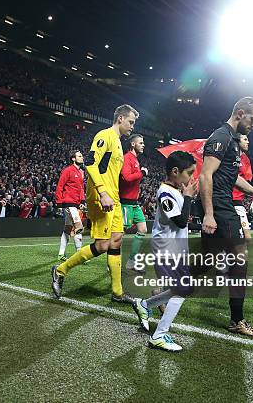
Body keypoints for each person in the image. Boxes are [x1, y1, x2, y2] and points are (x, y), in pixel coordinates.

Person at [199, 97, 253, 338]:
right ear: (240, 113)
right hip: (220, 207)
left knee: (207, 262)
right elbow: (205, 176)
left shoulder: (232, 140)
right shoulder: (221, 137)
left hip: (224, 205)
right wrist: (210, 214)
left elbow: (233, 178)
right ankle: (237, 320)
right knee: (239, 261)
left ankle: (164, 288)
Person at [51, 104, 139, 304]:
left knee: (116, 240)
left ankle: (117, 292)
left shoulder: (117, 142)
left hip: (113, 198)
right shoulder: (105, 135)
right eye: (131, 122)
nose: (132, 126)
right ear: (120, 119)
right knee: (101, 245)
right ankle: (60, 270)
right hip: (101, 197)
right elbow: (90, 163)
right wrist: (102, 192)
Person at [131, 151, 197, 352]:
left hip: (175, 248)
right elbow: (180, 220)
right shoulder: (165, 192)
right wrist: (188, 197)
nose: (192, 177)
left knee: (182, 288)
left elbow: (182, 222)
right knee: (184, 289)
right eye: (189, 173)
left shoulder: (175, 190)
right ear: (175, 172)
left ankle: (145, 304)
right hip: (166, 248)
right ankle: (158, 335)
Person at [120, 134, 149, 273]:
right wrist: (142, 173)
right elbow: (126, 177)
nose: (143, 145)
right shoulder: (127, 158)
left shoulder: (135, 160)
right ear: (133, 144)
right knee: (120, 234)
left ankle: (131, 262)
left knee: (142, 229)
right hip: (125, 203)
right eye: (141, 142)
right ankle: (113, 262)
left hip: (133, 203)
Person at [55, 150, 85, 261]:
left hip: (76, 204)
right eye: (79, 156)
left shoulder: (81, 172)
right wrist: (59, 202)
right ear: (73, 158)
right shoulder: (67, 170)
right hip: (68, 203)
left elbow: (81, 188)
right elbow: (60, 186)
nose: (82, 157)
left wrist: (82, 201)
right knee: (79, 227)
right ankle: (80, 255)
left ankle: (61, 254)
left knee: (67, 229)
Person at [232, 135, 253, 240]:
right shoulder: (227, 156)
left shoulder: (245, 159)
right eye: (245, 139)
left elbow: (247, 181)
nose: (248, 142)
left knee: (246, 236)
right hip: (224, 199)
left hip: (237, 201)